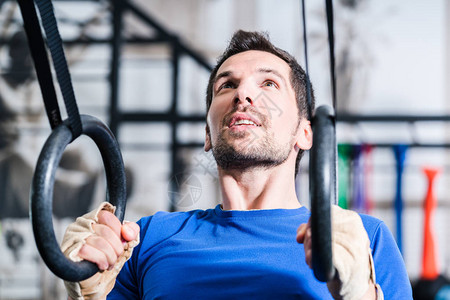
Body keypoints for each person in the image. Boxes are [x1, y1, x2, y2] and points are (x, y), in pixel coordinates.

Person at [61, 30, 413, 299]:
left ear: (305, 133)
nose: (243, 94)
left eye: (269, 83)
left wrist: (358, 292)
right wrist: (86, 283)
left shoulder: (362, 238)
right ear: (208, 135)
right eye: (226, 85)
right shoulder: (146, 238)